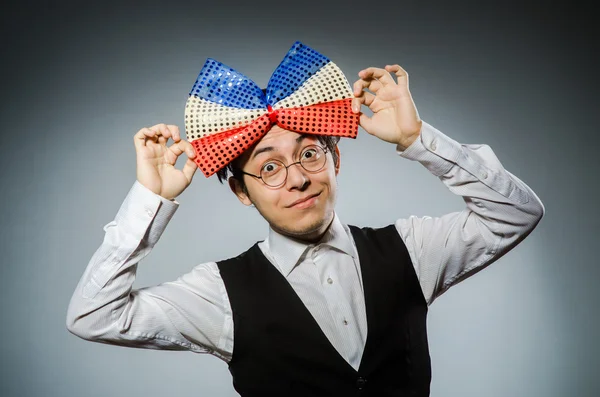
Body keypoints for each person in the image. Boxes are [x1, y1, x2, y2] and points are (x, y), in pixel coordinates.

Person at [66, 42, 545, 397]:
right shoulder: (219, 294)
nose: (296, 179)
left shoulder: (413, 249)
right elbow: (94, 316)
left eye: (310, 154)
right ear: (241, 192)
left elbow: (516, 214)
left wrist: (416, 138)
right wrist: (151, 198)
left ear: (337, 162)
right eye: (269, 167)